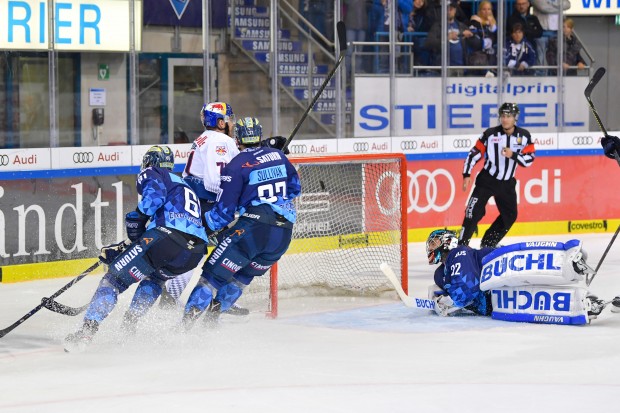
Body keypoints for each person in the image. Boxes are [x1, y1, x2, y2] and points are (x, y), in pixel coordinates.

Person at [64, 146, 208, 351]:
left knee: (113, 279)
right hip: (193, 253)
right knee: (155, 278)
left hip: (165, 239)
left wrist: (136, 219)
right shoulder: (184, 186)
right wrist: (126, 246)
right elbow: (157, 231)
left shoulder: (153, 172)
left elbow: (152, 202)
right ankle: (128, 327)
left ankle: (86, 333)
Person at [180, 117, 301, 329]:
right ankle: (210, 324)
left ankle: (183, 330)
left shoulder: (235, 166)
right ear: (260, 135)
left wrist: (200, 226)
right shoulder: (279, 156)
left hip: (254, 230)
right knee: (242, 278)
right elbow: (294, 189)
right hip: (283, 235)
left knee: (212, 278)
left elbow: (224, 213)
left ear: (237, 139)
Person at [426, 229, 608, 324]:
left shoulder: (459, 253)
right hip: (496, 301)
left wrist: (448, 302)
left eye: (434, 242)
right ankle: (582, 305)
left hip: (502, 267)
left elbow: (467, 290)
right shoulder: (441, 273)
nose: (431, 248)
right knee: (539, 302)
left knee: (533, 268)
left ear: (447, 241)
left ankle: (568, 261)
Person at [159, 102, 239, 306]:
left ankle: (172, 296)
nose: (232, 123)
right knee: (229, 248)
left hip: (193, 202)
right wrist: (235, 199)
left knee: (195, 251)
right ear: (220, 123)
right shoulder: (220, 140)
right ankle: (218, 299)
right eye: (229, 119)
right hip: (206, 204)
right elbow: (214, 181)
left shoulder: (205, 138)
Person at [459, 102, 535, 248]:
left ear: (515, 118)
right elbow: (474, 153)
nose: (505, 119)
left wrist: (513, 155)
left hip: (507, 183)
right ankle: (461, 247)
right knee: (472, 212)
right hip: (487, 180)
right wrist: (466, 174)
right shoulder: (490, 134)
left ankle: (488, 243)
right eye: (503, 116)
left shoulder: (524, 136)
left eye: (509, 116)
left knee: (510, 216)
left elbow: (529, 160)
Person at [424, 0, 475, 76]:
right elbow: (428, 43)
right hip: (444, 68)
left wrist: (471, 35)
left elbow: (476, 43)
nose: (448, 11)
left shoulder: (461, 26)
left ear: (455, 11)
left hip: (460, 67)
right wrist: (446, 38)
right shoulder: (437, 26)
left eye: (451, 9)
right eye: (446, 9)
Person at [530, 0, 571, 68]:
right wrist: (559, 6)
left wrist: (551, 3)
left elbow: (567, 4)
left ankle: (553, 75)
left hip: (557, 32)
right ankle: (540, 77)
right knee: (540, 58)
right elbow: (543, 7)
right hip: (541, 32)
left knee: (555, 57)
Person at [467, 0, 498, 75]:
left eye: (489, 9)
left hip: (492, 57)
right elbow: (473, 41)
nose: (487, 11)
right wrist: (483, 43)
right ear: (480, 10)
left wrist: (493, 28)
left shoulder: (494, 23)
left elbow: (499, 40)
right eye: (484, 9)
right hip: (479, 58)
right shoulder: (475, 22)